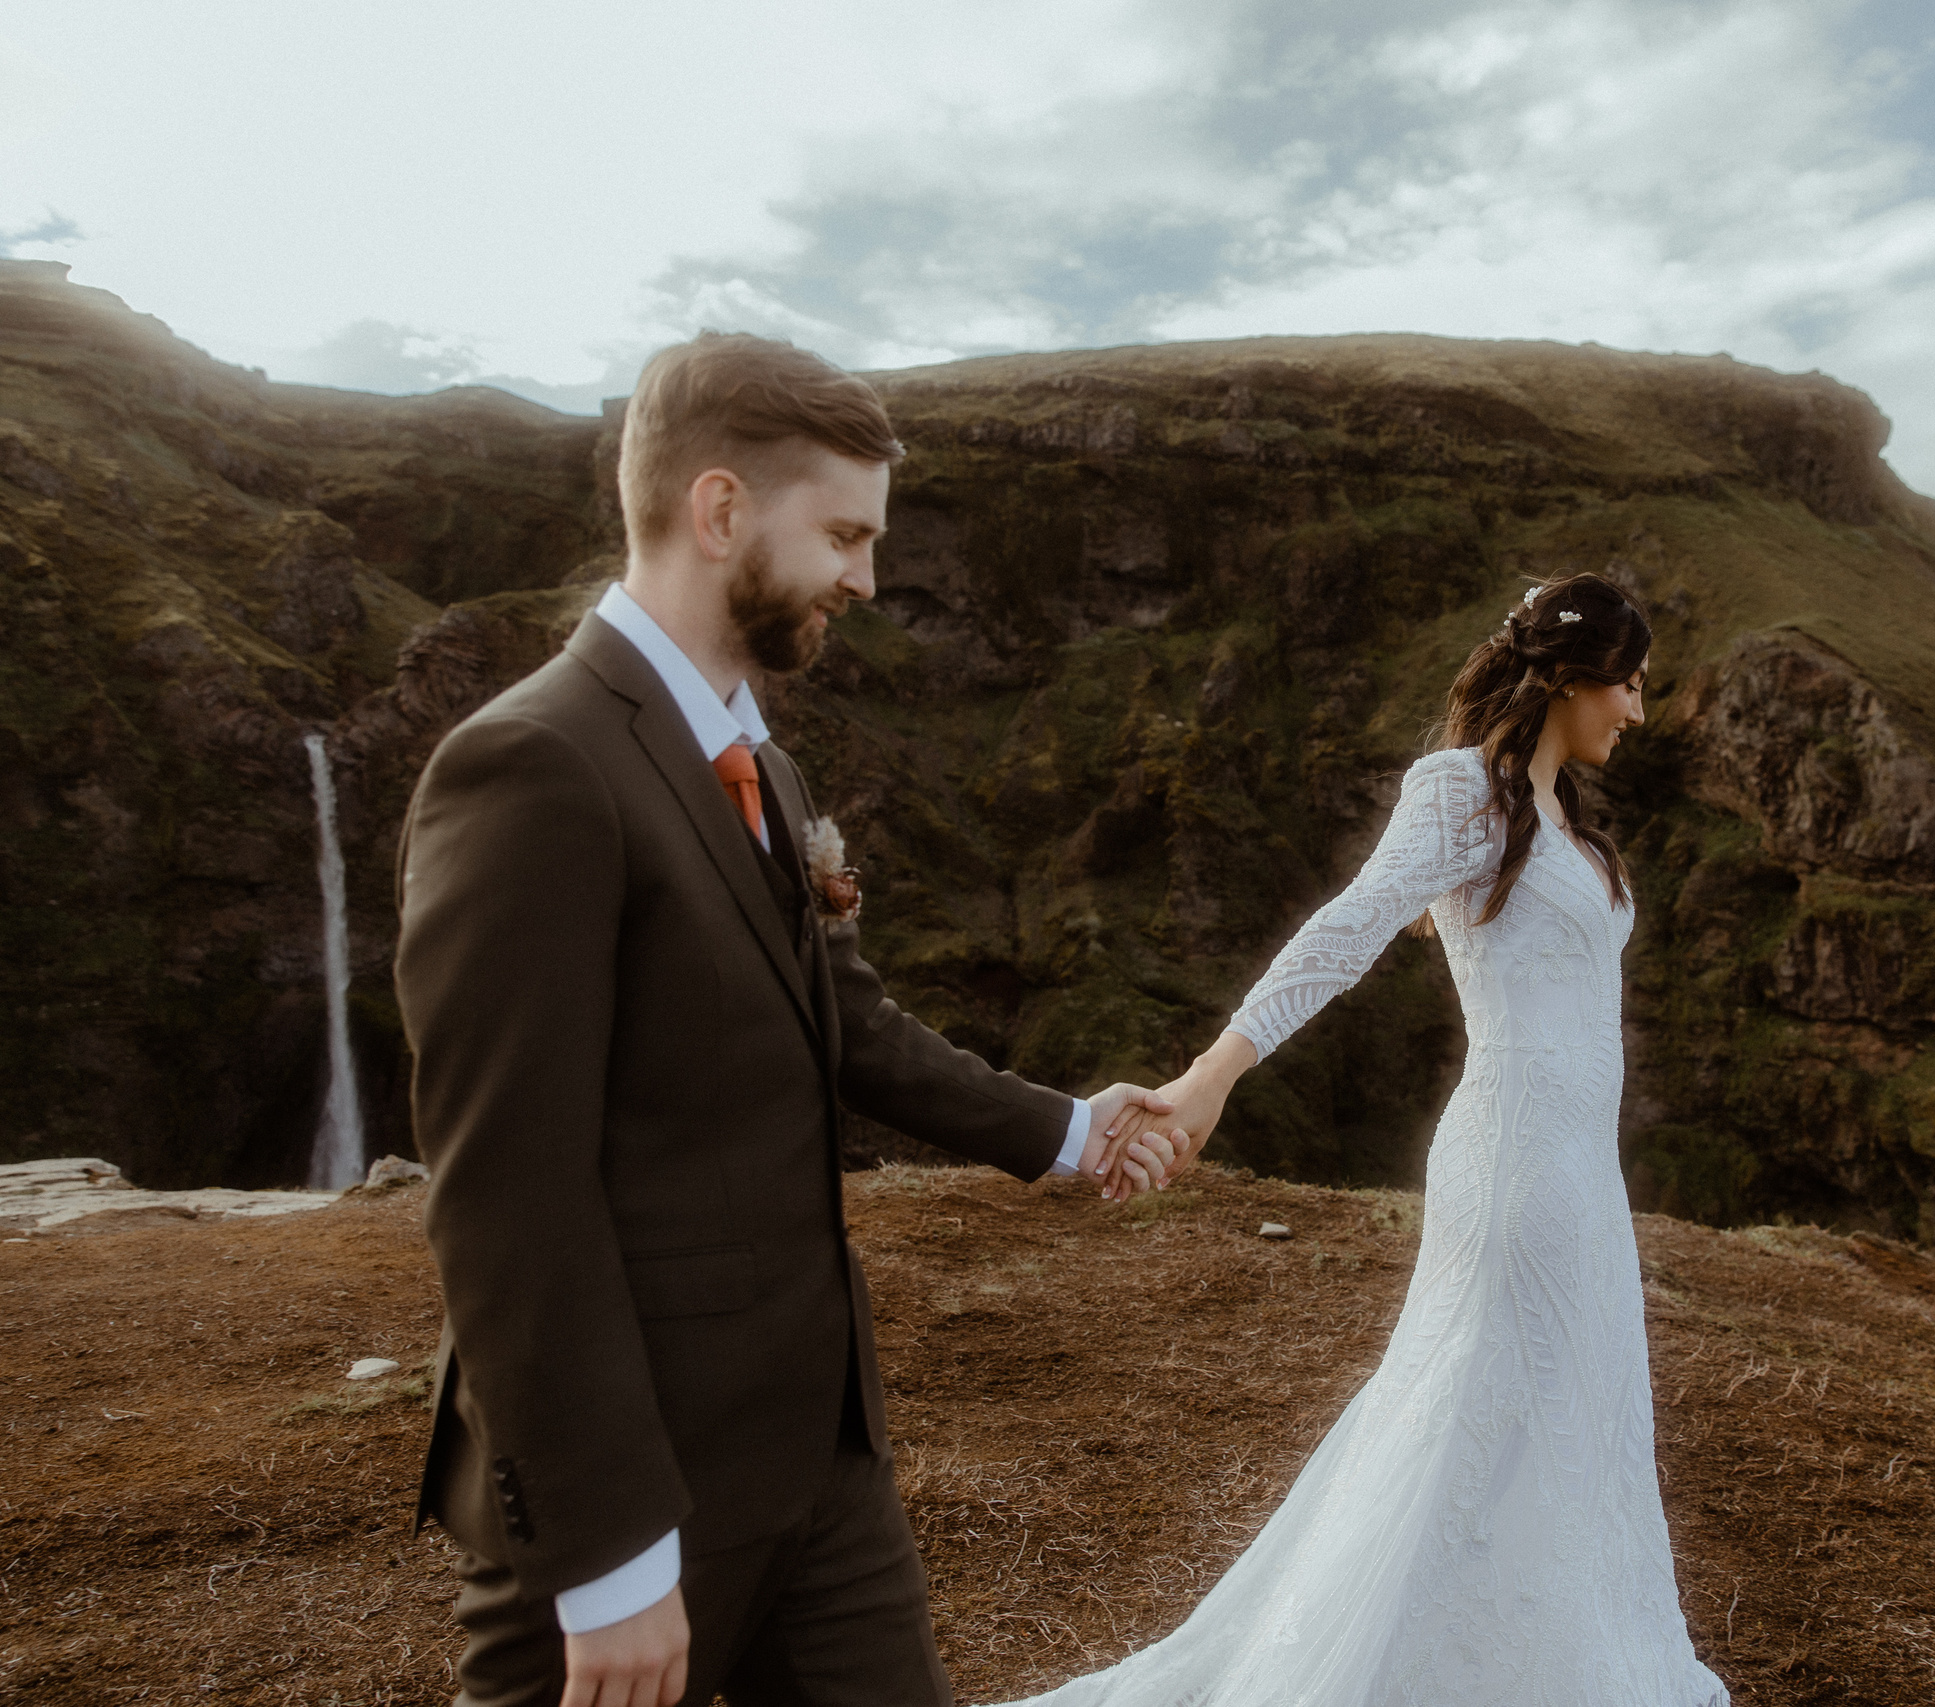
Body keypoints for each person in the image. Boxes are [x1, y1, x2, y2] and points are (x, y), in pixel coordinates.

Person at [395, 331, 1188, 1707]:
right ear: (718, 512)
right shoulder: (532, 764)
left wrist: (1070, 1129)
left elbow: (849, 1022)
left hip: (819, 1453)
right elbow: (507, 1192)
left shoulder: (758, 751)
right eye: (842, 533)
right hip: (640, 1486)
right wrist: (610, 1553)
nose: (868, 578)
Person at [1034, 573, 1730, 1705]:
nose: (1636, 713)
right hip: (1511, 1165)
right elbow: (1347, 928)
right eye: (1627, 685)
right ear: (1564, 678)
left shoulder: (1566, 825)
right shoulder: (1464, 794)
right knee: (1471, 1411)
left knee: (1562, 1416)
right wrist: (1212, 1078)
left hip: (1581, 1176)